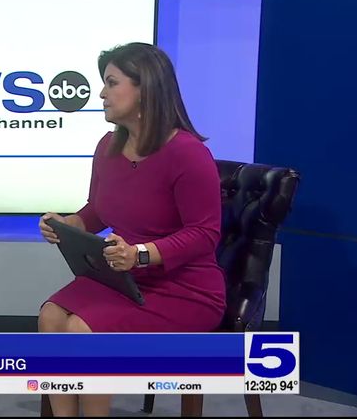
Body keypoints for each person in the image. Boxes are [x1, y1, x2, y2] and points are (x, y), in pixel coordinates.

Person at [37, 43, 226, 417]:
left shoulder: (188, 153)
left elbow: (205, 233)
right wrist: (70, 224)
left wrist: (140, 254)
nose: (101, 94)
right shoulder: (108, 146)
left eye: (111, 83)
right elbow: (98, 209)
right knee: (51, 316)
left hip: (185, 289)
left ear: (145, 89)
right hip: (123, 279)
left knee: (83, 329)